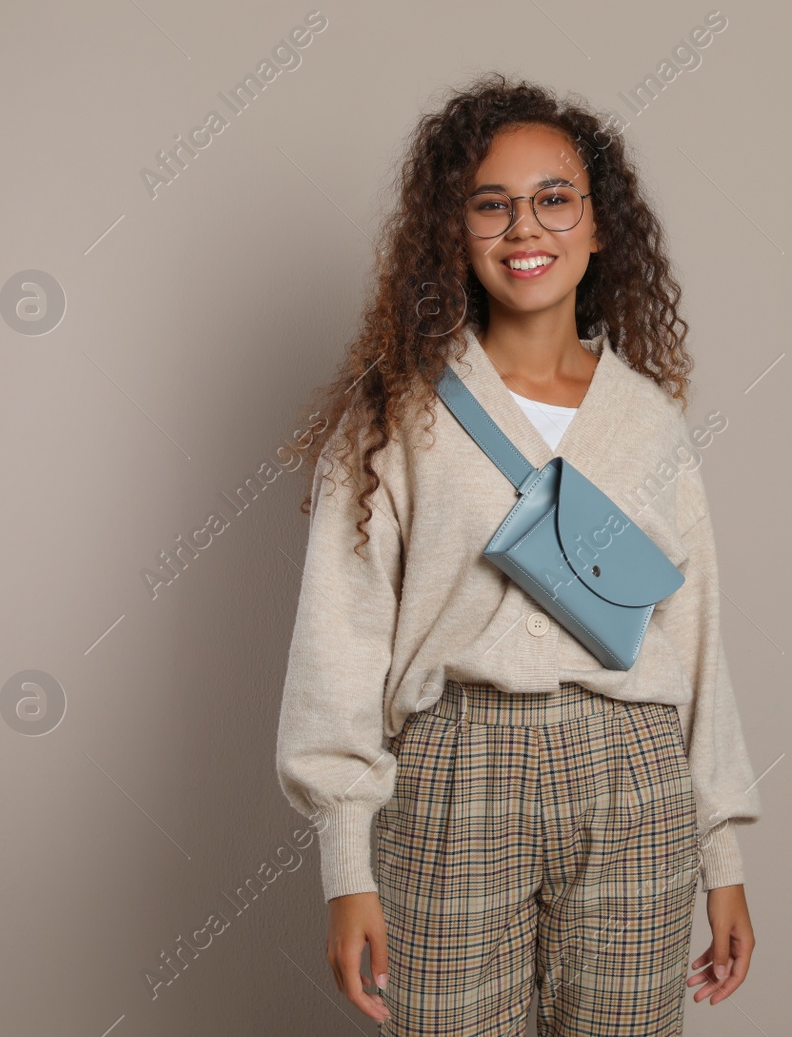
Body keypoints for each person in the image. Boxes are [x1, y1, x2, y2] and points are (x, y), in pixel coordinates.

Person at [275, 72, 762, 1036]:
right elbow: (343, 628)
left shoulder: (649, 422)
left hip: (634, 772)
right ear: (451, 232)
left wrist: (726, 853)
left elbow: (695, 638)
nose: (524, 228)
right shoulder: (399, 411)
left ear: (598, 226)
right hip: (458, 763)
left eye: (554, 199)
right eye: (490, 204)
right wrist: (345, 861)